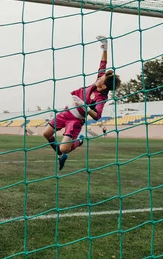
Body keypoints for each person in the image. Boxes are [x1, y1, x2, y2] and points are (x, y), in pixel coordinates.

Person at [43, 36, 121, 171]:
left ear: (103, 87)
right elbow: (103, 63)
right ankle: (60, 155)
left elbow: (97, 116)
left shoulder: (101, 98)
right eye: (101, 77)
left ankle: (78, 141)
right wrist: (105, 47)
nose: (99, 78)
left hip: (75, 120)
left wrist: (84, 107)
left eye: (101, 80)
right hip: (66, 112)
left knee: (64, 148)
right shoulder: (100, 80)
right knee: (46, 134)